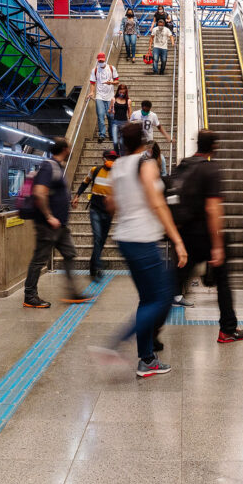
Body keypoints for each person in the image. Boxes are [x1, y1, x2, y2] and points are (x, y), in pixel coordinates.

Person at [103, 124, 187, 377]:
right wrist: (178, 241)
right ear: (144, 140)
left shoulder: (118, 165)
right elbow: (157, 204)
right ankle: (115, 345)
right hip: (142, 239)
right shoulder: (146, 163)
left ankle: (147, 359)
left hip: (125, 238)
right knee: (162, 298)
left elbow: (110, 203)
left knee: (147, 298)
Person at [170, 130, 243, 343]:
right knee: (223, 282)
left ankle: (151, 331)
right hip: (205, 236)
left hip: (185, 235)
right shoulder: (211, 169)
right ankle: (227, 330)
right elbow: (213, 209)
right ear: (214, 146)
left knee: (172, 284)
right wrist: (218, 245)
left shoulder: (183, 166)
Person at [23, 137, 87, 308]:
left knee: (69, 254)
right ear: (65, 149)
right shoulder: (48, 166)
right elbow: (39, 192)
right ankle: (30, 295)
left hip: (60, 226)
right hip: (48, 224)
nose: (70, 150)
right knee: (39, 259)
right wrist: (49, 216)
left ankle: (73, 292)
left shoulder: (57, 167)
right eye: (69, 147)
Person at [74, 147, 116, 282]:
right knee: (97, 238)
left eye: (114, 158)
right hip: (95, 209)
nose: (112, 161)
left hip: (108, 212)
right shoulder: (95, 170)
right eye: (109, 158)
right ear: (104, 159)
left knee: (101, 240)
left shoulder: (118, 174)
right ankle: (98, 268)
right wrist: (77, 196)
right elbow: (84, 183)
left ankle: (93, 266)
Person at [129, 99, 170, 170]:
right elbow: (130, 125)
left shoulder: (153, 115)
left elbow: (159, 126)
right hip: (138, 141)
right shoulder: (135, 114)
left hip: (148, 141)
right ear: (142, 107)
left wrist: (167, 136)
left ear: (150, 109)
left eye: (147, 110)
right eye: (144, 110)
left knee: (148, 159)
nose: (145, 112)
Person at [89, 52, 119, 143]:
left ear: (105, 59)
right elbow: (92, 83)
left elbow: (117, 81)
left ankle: (112, 134)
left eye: (102, 61)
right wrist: (92, 92)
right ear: (97, 61)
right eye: (99, 61)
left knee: (111, 117)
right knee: (100, 115)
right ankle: (102, 134)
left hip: (110, 97)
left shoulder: (111, 68)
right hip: (99, 96)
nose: (101, 62)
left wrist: (111, 83)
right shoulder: (95, 70)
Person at [110, 83, 131, 151]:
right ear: (118, 91)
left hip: (124, 123)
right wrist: (111, 111)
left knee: (122, 142)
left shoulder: (128, 101)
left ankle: (121, 155)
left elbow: (129, 112)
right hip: (115, 122)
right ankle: (116, 154)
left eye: (123, 93)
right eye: (120, 92)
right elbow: (110, 110)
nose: (122, 94)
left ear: (125, 92)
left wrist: (130, 120)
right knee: (115, 142)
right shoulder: (113, 99)